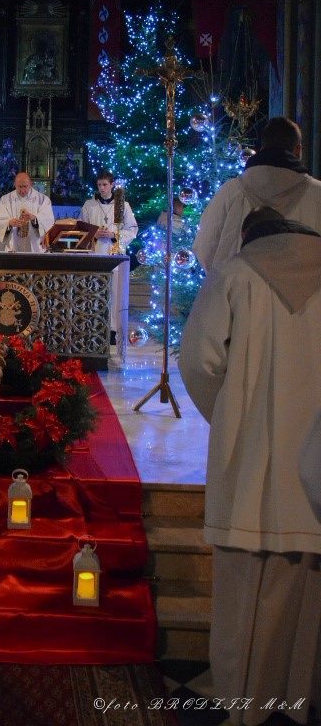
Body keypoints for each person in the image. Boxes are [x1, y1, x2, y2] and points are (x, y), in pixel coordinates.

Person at [179, 206, 321, 724]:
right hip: (315, 481)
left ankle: (244, 709)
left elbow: (198, 361)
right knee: (306, 614)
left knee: (243, 607)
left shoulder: (234, 275)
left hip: (249, 469)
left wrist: (230, 416)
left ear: (248, 237)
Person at [194, 116, 321, 272]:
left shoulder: (230, 191)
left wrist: (225, 277)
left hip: (239, 285)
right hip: (303, 287)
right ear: (298, 149)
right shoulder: (317, 194)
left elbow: (204, 246)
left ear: (262, 147)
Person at [80, 171, 138, 342]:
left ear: (112, 185)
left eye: (105, 184)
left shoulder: (122, 205)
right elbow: (81, 227)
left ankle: (112, 330)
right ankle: (93, 326)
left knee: (114, 292)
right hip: (95, 252)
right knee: (94, 290)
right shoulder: (89, 205)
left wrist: (113, 234)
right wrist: (94, 233)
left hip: (114, 252)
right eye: (99, 185)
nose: (102, 188)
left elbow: (132, 229)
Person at [0, 172, 54, 253]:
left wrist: (34, 219)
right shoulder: (5, 200)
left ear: (31, 184)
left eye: (25, 186)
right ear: (14, 184)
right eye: (19, 186)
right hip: (13, 249)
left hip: (35, 249)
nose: (22, 190)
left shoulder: (43, 200)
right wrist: (9, 223)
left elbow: (48, 222)